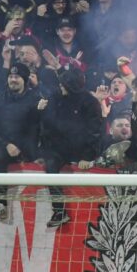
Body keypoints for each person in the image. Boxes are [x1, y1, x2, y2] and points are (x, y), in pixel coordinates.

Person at [37, 66, 103, 227]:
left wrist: (87, 156)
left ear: (71, 85)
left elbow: (95, 131)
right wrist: (40, 111)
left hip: (80, 149)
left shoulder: (90, 102)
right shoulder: (55, 98)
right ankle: (59, 211)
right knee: (50, 166)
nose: (60, 86)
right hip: (58, 148)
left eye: (63, 84)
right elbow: (47, 125)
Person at [0, 64, 42, 222]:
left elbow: (39, 126)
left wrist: (31, 150)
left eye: (17, 77)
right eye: (11, 76)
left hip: (28, 147)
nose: (13, 80)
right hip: (4, 145)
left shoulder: (35, 98)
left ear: (24, 80)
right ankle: (1, 204)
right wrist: (6, 144)